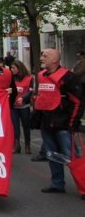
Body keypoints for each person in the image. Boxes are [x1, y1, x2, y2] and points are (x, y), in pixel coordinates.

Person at [32, 48, 83, 194]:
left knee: (73, 157)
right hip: (47, 123)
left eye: (45, 56)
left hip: (64, 124)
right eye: (42, 55)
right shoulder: (41, 76)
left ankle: (83, 186)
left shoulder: (68, 77)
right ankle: (57, 184)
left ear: (55, 59)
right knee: (52, 155)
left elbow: (78, 101)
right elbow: (42, 98)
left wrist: (73, 122)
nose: (41, 58)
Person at [10, 60, 33, 154]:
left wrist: (24, 98)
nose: (11, 70)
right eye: (11, 68)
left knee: (26, 126)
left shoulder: (29, 78)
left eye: (13, 68)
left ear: (19, 69)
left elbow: (30, 91)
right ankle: (17, 145)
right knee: (15, 127)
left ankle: (27, 145)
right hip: (14, 107)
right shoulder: (11, 78)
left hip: (24, 106)